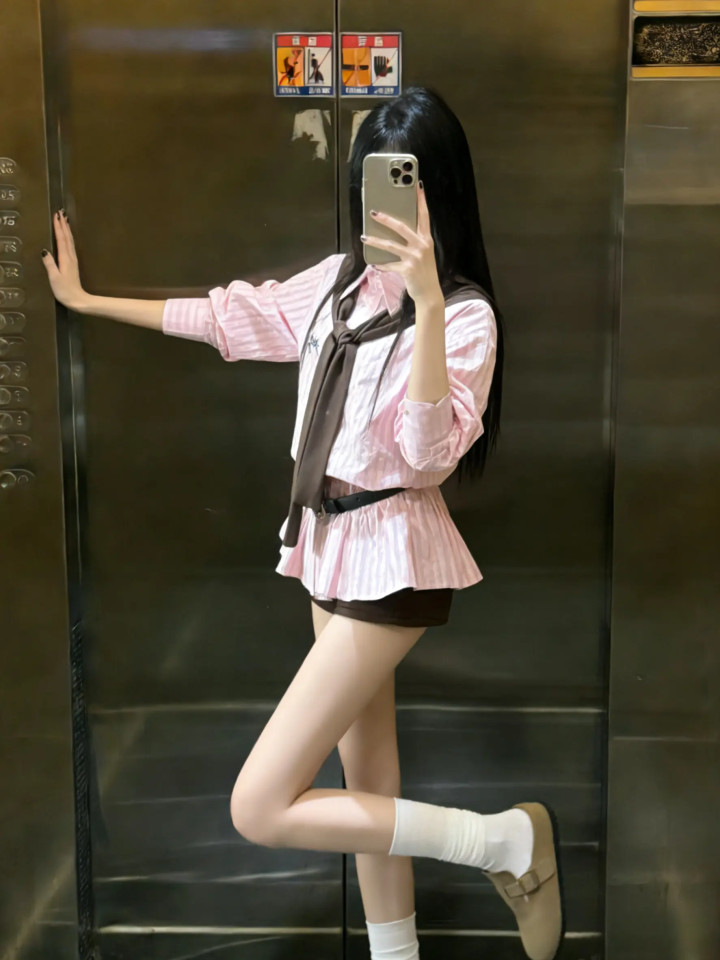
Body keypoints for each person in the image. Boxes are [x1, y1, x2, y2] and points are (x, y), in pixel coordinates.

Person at [42, 85, 563, 960]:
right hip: (327, 550)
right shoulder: (337, 285)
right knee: (371, 780)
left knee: (259, 804)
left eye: (405, 185)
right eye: (372, 185)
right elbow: (231, 316)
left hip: (393, 560)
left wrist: (429, 306)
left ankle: (505, 843)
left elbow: (427, 454)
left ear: (440, 192)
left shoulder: (465, 315)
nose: (385, 208)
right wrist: (92, 303)